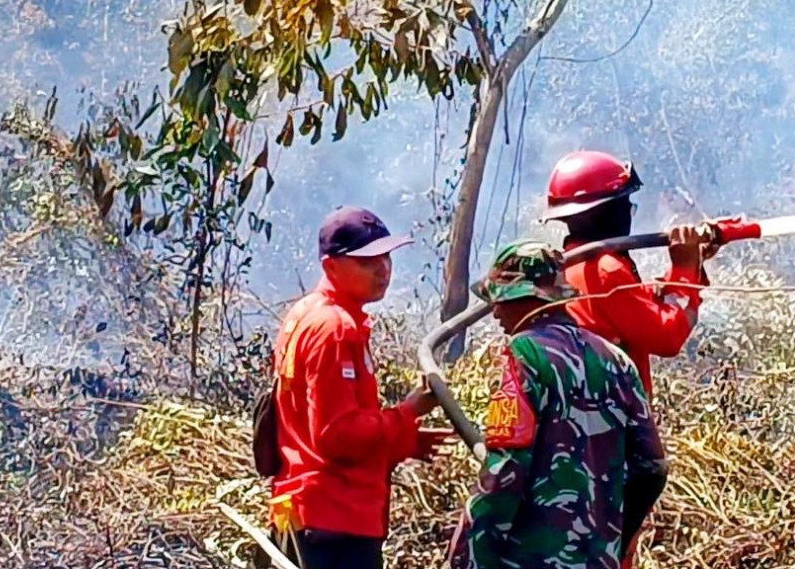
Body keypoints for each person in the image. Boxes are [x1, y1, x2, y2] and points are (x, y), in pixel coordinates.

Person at [447, 240, 667, 569]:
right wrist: (614, 538)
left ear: (527, 299)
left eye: (501, 301)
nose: (495, 312)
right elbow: (652, 468)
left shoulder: (526, 354)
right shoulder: (616, 359)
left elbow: (506, 468)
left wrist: (471, 554)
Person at [268, 205, 451, 569]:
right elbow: (336, 436)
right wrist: (407, 413)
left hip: (310, 516)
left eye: (385, 257)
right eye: (367, 261)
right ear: (330, 267)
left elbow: (317, 423)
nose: (383, 269)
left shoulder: (308, 314)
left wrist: (403, 440)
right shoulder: (334, 329)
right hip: (334, 523)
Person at [542, 151, 714, 403]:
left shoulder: (572, 266)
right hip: (616, 425)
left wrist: (691, 263)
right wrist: (685, 269)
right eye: (626, 205)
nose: (629, 214)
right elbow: (668, 336)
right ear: (607, 211)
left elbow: (644, 307)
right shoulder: (604, 269)